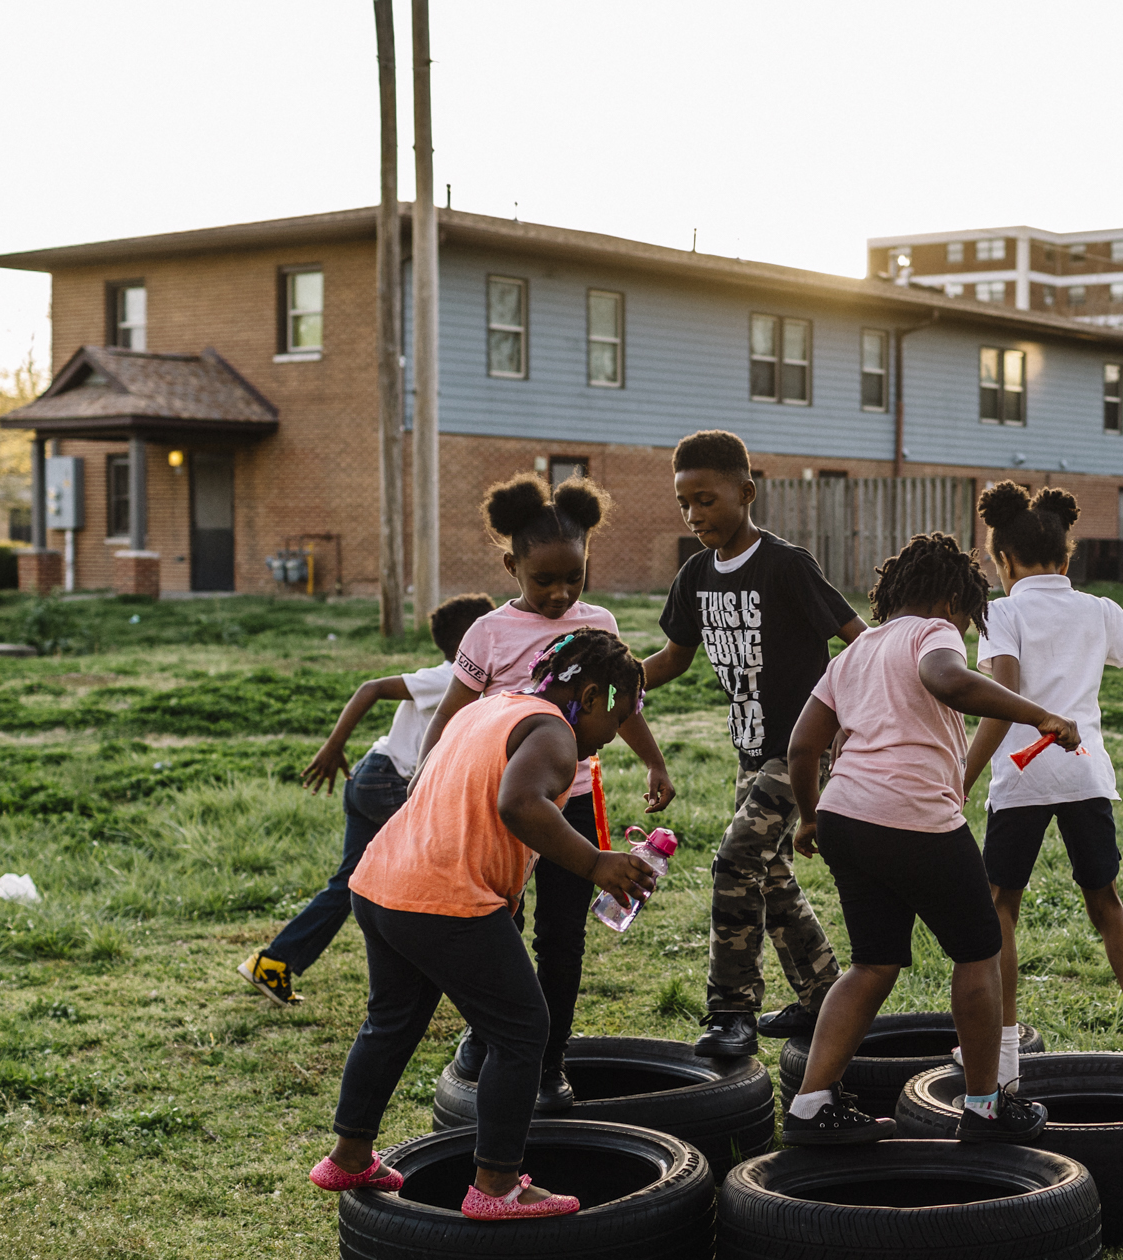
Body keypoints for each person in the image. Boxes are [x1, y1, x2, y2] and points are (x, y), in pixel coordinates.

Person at [312, 630, 659, 1218]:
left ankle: (349, 1156)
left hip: (382, 883)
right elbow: (518, 805)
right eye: (623, 715)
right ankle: (496, 1187)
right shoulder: (555, 733)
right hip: (445, 899)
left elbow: (458, 799)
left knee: (391, 1022)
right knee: (523, 1031)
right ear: (595, 696)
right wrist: (596, 862)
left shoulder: (491, 709)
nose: (617, 733)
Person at [780, 531, 1079, 1147]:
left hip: (846, 818)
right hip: (912, 816)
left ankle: (810, 1105)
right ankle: (984, 1104)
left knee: (872, 961)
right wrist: (1037, 713)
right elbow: (947, 680)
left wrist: (810, 818)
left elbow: (803, 745)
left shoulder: (853, 653)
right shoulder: (932, 633)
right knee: (978, 950)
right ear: (950, 602)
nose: (965, 632)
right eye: (968, 620)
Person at [416, 475, 675, 1111]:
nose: (561, 594)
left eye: (573, 579)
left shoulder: (601, 623)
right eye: (544, 581)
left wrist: (653, 762)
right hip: (499, 803)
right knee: (496, 925)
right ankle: (488, 1033)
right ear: (512, 566)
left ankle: (550, 1061)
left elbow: (620, 700)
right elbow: (450, 714)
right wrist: (426, 781)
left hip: (574, 803)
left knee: (563, 937)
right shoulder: (488, 634)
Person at [961, 482, 1123, 1079]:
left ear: (1002, 560)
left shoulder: (1000, 612)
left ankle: (1004, 1056)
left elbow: (1003, 700)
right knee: (1106, 904)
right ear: (1067, 559)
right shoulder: (1101, 610)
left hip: (1021, 782)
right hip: (1084, 776)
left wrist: (960, 777)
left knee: (1003, 907)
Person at [640, 430, 865, 1060]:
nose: (694, 514)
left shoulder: (786, 565)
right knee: (769, 877)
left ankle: (731, 1010)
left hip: (801, 750)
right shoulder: (695, 575)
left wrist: (870, 717)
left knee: (736, 862)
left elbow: (859, 639)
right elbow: (673, 658)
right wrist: (618, 681)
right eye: (685, 502)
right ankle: (824, 995)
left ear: (746, 492)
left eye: (706, 500)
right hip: (749, 747)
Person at [237, 594, 498, 1007]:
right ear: (473, 640)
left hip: (370, 775)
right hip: (387, 782)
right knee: (437, 874)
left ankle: (273, 963)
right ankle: (436, 979)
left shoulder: (473, 684)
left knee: (347, 883)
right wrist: (332, 745)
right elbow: (371, 688)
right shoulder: (447, 677)